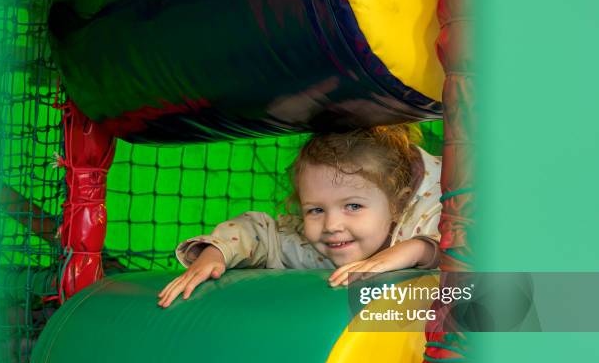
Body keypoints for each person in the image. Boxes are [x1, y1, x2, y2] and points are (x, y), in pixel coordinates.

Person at [158, 124, 442, 308]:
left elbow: (471, 253)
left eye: (353, 206)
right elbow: (258, 231)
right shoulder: (313, 248)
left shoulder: (429, 215)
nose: (332, 226)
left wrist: (418, 249)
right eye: (316, 210)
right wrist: (215, 253)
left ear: (397, 203)